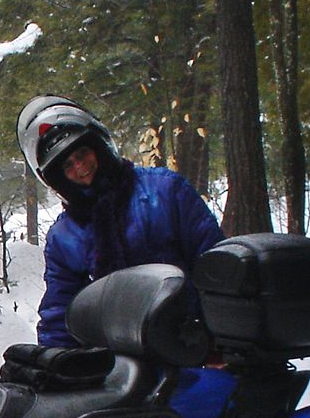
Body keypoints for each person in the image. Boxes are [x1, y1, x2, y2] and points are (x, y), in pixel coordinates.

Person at [16, 96, 224, 347]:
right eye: (68, 166)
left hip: (192, 346)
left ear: (99, 146)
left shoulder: (164, 191)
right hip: (121, 362)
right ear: (57, 179)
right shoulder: (65, 237)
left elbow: (214, 266)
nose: (81, 168)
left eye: (82, 154)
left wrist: (221, 343)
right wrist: (54, 365)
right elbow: (60, 311)